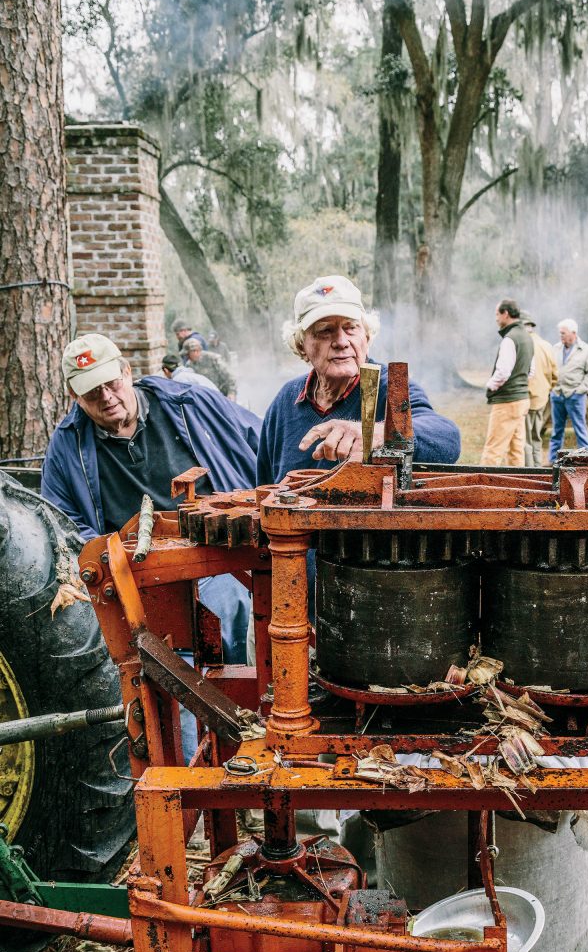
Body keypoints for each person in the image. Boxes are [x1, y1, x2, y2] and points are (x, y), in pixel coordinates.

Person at [41, 334, 260, 671]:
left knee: (230, 627)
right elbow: (61, 523)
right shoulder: (67, 445)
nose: (107, 397)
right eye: (92, 392)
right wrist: (110, 559)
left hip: (217, 557)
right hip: (136, 574)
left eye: (111, 383)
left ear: (127, 372)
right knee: (160, 664)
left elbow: (261, 444)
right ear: (74, 395)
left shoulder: (188, 404)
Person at [257, 275, 460, 484]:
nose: (341, 342)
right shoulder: (286, 399)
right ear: (301, 346)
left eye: (350, 327)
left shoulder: (389, 387)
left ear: (367, 336)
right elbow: (264, 486)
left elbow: (446, 437)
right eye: (325, 330)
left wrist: (381, 434)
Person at [480, 299, 534, 467]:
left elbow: (503, 372)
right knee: (516, 450)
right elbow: (531, 371)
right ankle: (518, 482)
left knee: (493, 450)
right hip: (522, 400)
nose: (496, 318)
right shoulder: (527, 337)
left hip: (507, 402)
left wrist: (490, 386)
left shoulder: (510, 339)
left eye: (497, 314)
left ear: (506, 314)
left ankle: (483, 482)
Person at [548, 318, 588, 461]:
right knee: (556, 431)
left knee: (580, 429)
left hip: (575, 396)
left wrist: (580, 391)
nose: (561, 335)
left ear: (573, 333)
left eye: (563, 333)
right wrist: (552, 389)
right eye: (560, 333)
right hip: (557, 394)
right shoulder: (555, 348)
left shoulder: (586, 350)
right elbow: (550, 369)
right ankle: (553, 461)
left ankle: (586, 461)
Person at [521, 310, 557, 466]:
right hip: (542, 398)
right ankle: (538, 467)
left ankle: (529, 471)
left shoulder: (523, 344)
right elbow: (555, 374)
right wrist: (547, 389)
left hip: (525, 397)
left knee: (525, 439)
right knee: (536, 436)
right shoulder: (546, 345)